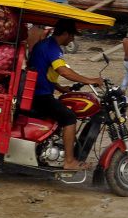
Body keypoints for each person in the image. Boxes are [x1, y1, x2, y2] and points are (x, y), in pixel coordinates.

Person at [26, 19, 102, 171]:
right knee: (69, 117)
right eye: (72, 35)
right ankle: (69, 161)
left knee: (64, 108)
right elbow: (63, 71)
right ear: (66, 33)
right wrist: (89, 80)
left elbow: (44, 72)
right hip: (39, 95)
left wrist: (61, 88)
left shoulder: (48, 45)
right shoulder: (51, 47)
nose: (73, 39)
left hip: (39, 91)